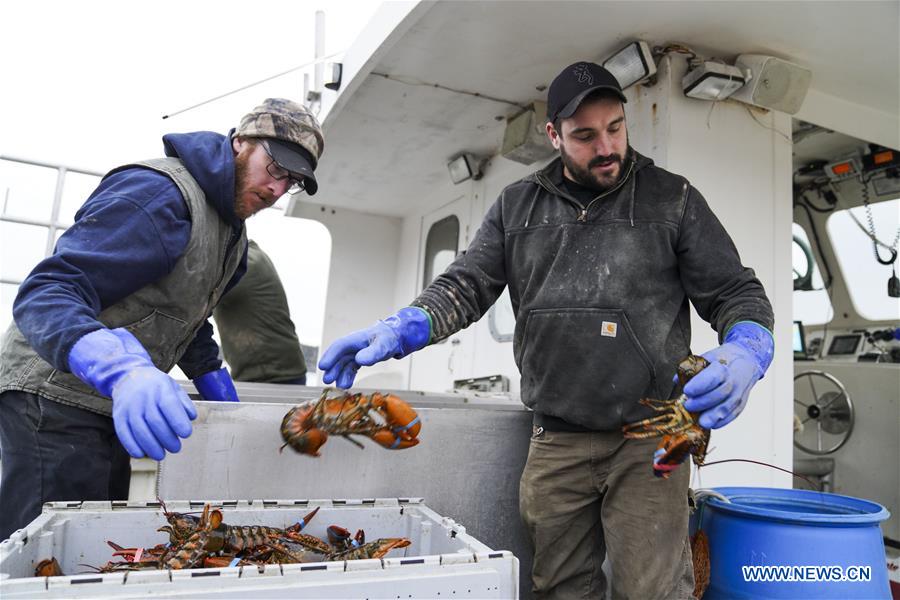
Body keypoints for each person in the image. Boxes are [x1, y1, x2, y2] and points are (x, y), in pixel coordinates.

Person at [317, 62, 774, 599]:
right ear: (554, 135)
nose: (606, 147)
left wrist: (748, 349)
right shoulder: (517, 206)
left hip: (649, 440)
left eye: (616, 128)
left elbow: (734, 291)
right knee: (559, 589)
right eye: (585, 135)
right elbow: (466, 285)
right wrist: (400, 328)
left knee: (651, 591)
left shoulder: (672, 198)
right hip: (555, 441)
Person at [0, 98, 324, 541]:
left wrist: (212, 379)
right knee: (45, 552)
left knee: (96, 543)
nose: (276, 188)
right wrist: (118, 369)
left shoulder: (232, 232)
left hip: (108, 405)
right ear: (240, 143)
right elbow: (47, 291)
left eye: (292, 181)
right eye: (275, 168)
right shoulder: (159, 194)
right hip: (54, 395)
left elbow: (186, 314)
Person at [213, 239, 308, 384]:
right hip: (271, 372)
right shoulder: (250, 254)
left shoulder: (244, 264)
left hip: (274, 375)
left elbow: (195, 294)